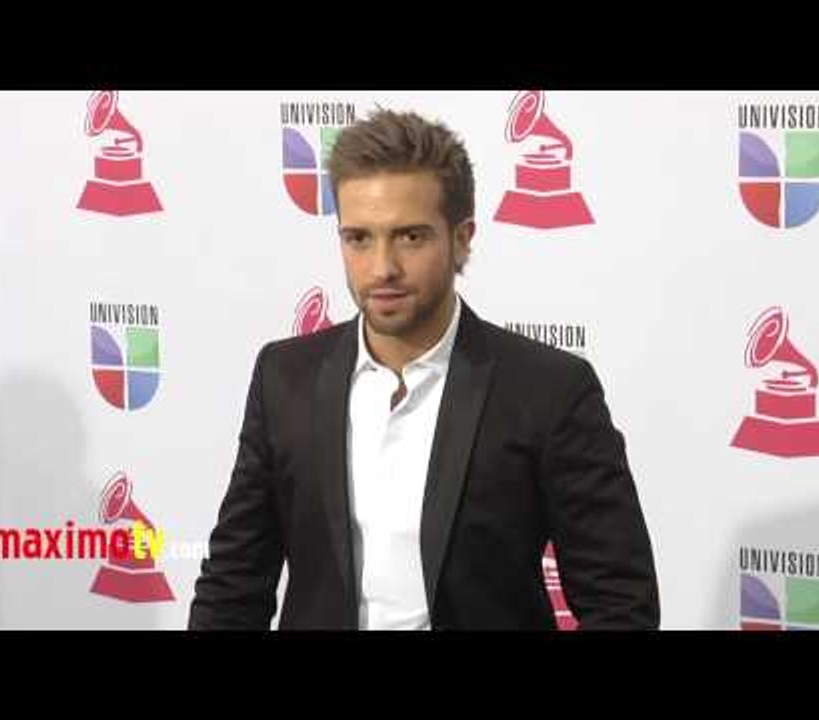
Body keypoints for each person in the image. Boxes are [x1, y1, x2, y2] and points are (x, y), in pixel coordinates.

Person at [188, 108, 659, 630]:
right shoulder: (285, 378)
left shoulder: (548, 391)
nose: (382, 267)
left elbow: (619, 602)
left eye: (410, 237)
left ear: (462, 238)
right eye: (359, 238)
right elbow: (233, 584)